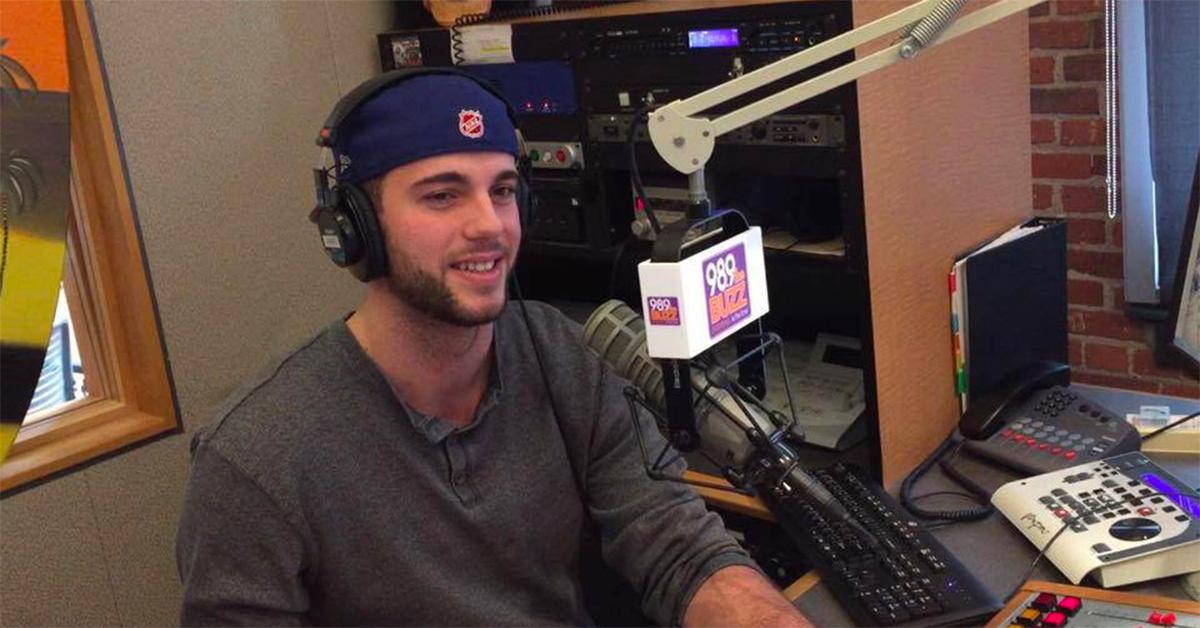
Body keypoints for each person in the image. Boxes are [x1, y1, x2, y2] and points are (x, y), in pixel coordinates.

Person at [176, 70, 811, 627]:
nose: (489, 224)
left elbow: (677, 544)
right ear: (356, 229)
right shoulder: (256, 461)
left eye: (503, 190)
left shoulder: (560, 354)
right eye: (443, 194)